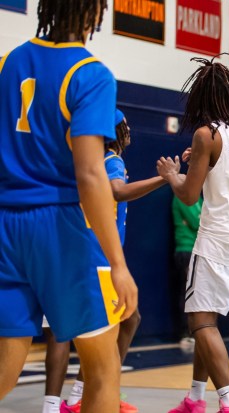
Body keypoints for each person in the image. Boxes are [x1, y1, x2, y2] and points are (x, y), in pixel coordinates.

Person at [0, 2, 138, 413]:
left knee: (8, 359)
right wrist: (118, 262)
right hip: (59, 227)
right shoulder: (90, 74)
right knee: (102, 369)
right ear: (93, 14)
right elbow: (91, 177)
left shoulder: (7, 62)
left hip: (6, 224)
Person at [159, 57, 229, 413]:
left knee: (200, 321)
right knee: (211, 319)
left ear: (200, 96)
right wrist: (199, 160)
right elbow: (227, 167)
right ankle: (194, 398)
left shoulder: (206, 134)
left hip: (219, 237)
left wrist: (172, 173)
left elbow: (188, 194)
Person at [43, 109, 168, 413]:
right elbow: (117, 191)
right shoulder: (111, 160)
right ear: (116, 131)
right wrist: (162, 179)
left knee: (65, 330)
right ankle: (87, 395)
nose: (129, 132)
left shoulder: (76, 160)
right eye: (125, 126)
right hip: (96, 257)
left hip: (64, 250)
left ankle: (61, 401)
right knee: (117, 324)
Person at [172, 194, 203, 341]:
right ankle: (186, 332)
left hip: (199, 250)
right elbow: (198, 223)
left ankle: (197, 330)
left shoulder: (201, 199)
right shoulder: (183, 197)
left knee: (199, 293)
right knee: (187, 292)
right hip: (186, 250)